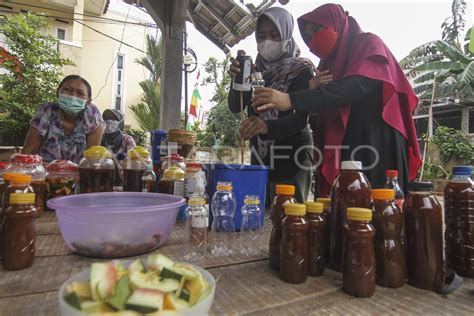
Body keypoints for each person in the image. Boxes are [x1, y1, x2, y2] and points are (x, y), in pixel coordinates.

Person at [252, 4, 422, 196]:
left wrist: (292, 99)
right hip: (345, 142)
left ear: (337, 24)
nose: (313, 40)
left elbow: (356, 86)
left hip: (377, 138)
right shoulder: (326, 64)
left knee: (378, 203)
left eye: (317, 30)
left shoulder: (368, 43)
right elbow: (318, 110)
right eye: (308, 37)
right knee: (345, 204)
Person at [228, 7, 316, 203]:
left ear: (286, 34)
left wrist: (267, 127)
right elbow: (236, 106)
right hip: (260, 156)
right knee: (258, 209)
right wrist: (236, 80)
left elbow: (301, 119)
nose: (267, 41)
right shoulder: (252, 69)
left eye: (274, 35)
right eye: (261, 36)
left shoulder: (301, 70)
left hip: (293, 155)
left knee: (290, 215)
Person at [22, 75, 105, 164]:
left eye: (80, 93)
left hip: (80, 174)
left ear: (88, 101)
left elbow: (91, 158)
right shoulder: (47, 111)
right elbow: (29, 150)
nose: (72, 96)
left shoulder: (92, 116)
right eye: (67, 90)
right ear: (58, 92)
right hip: (45, 173)